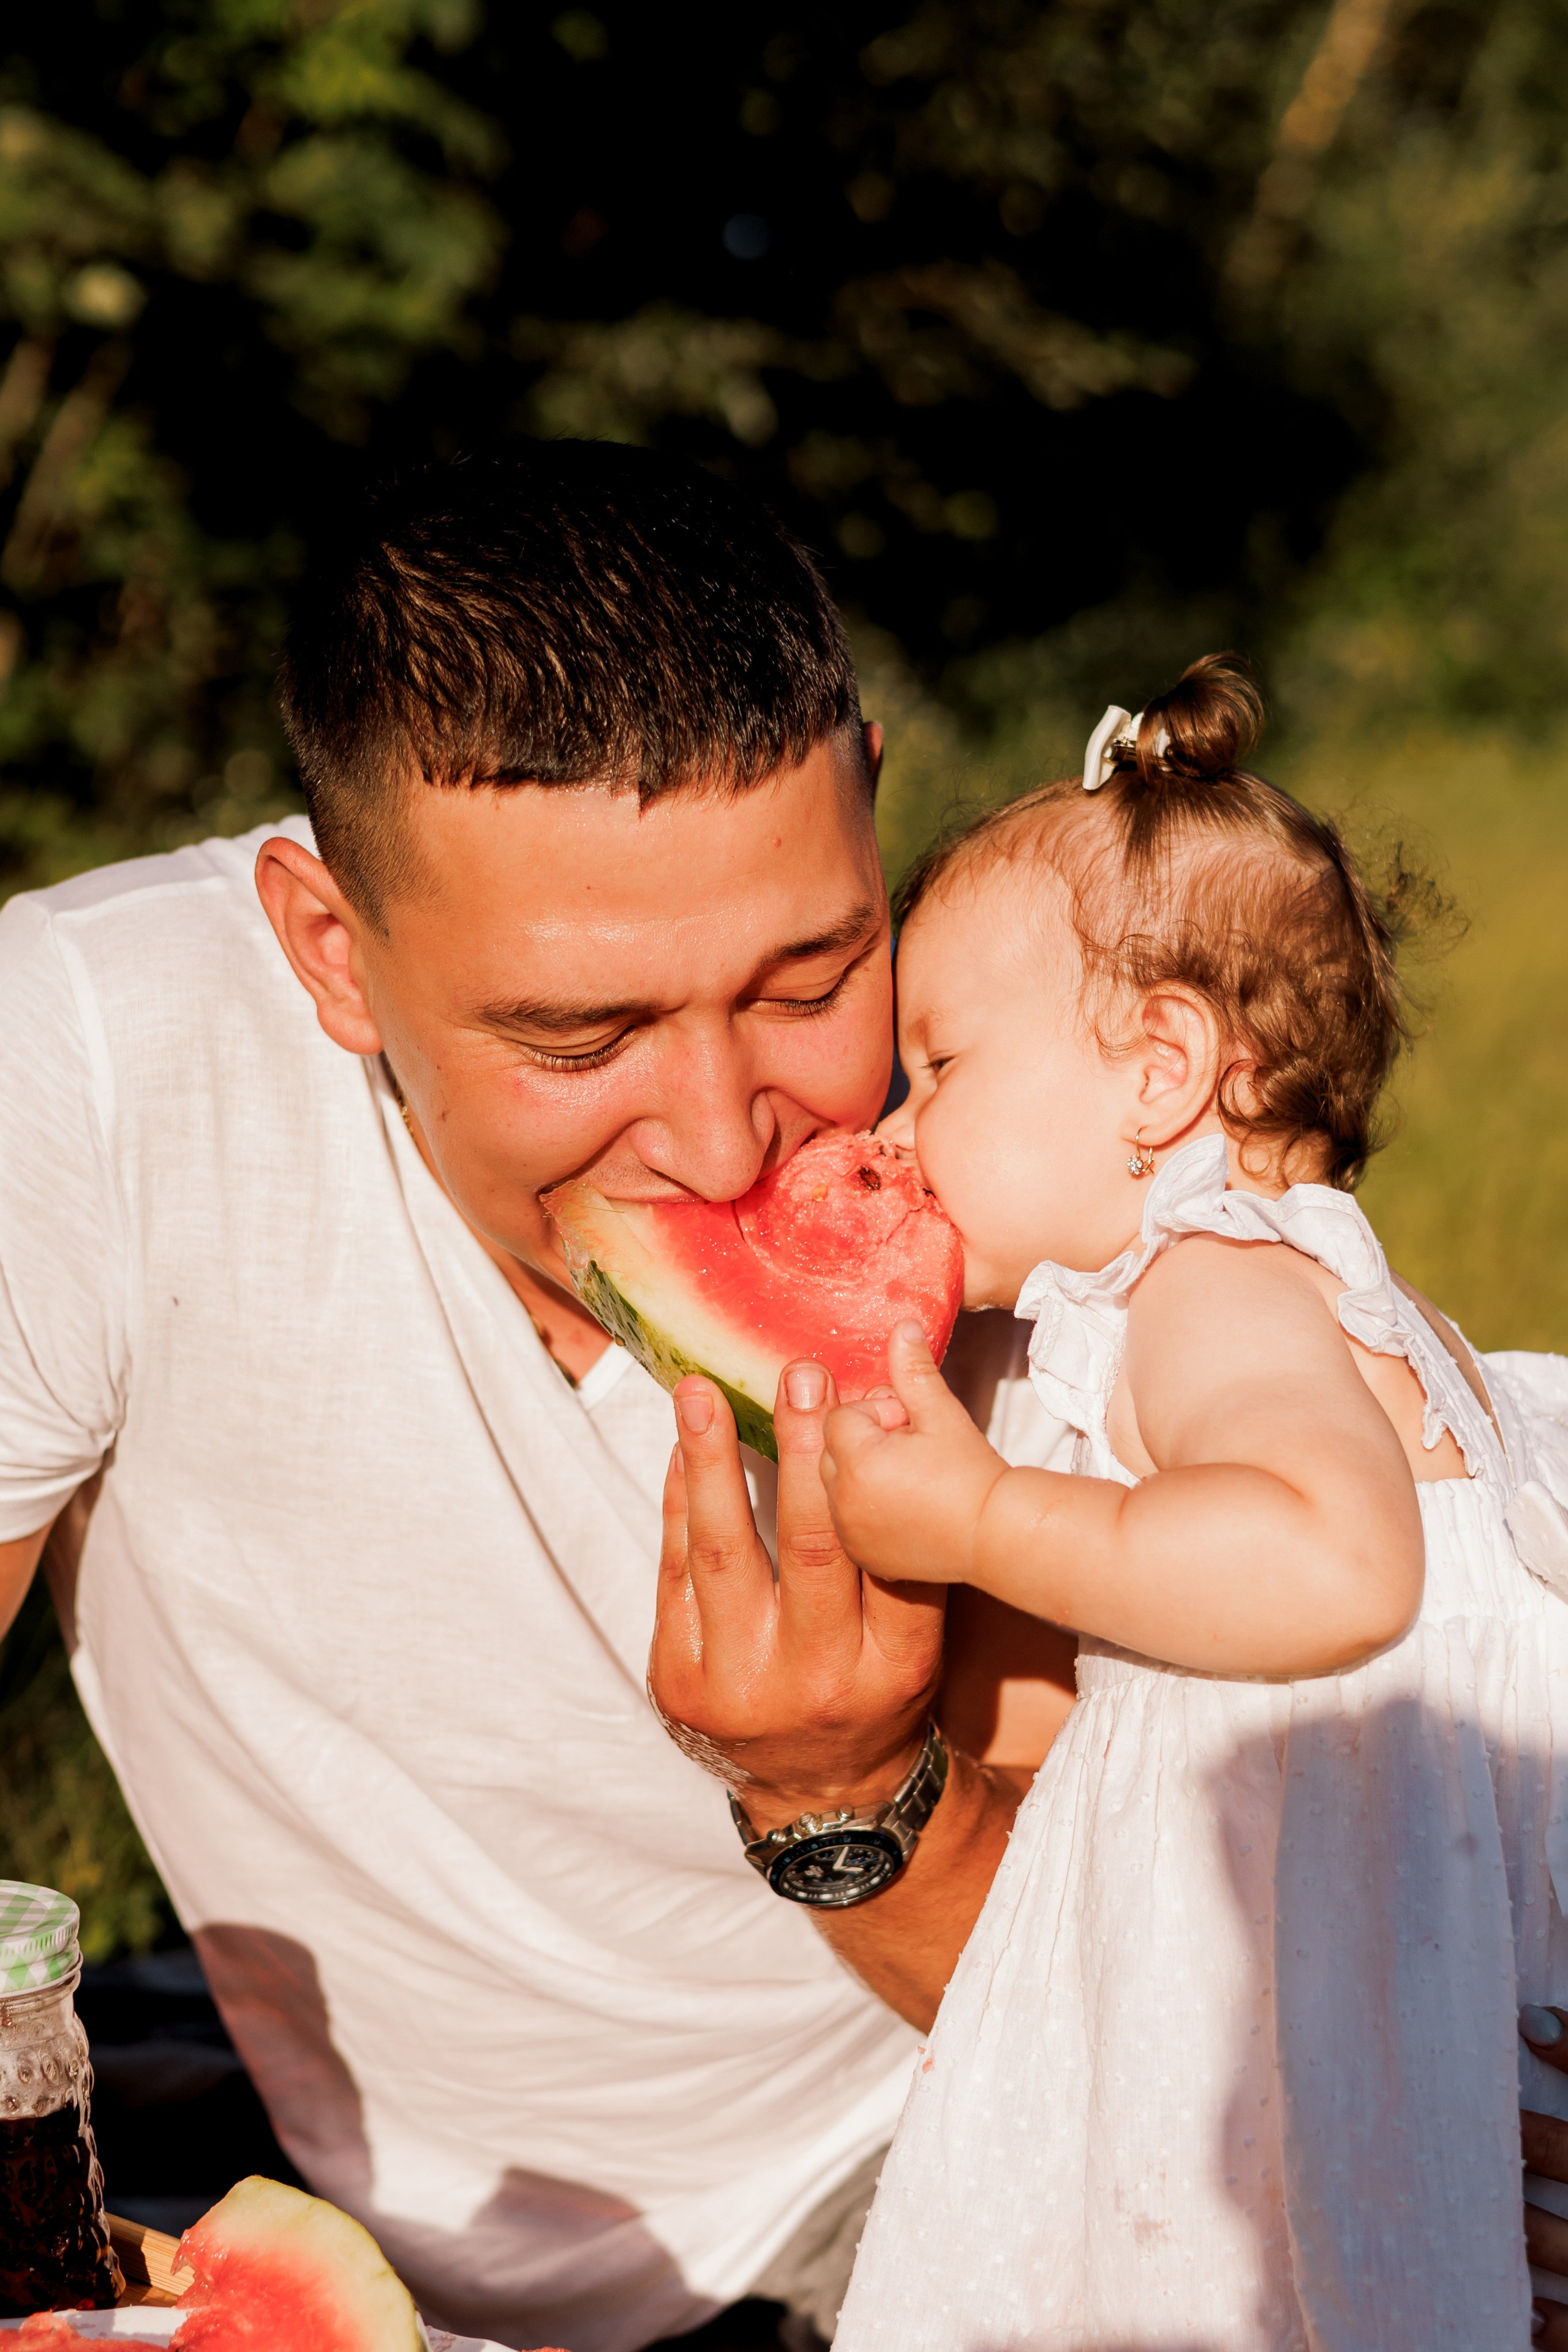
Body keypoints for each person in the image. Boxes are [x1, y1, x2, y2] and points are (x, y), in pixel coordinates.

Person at [0, 447, 1075, 2352]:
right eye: (579, 1038)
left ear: (871, 804)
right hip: (367, 2222)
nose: (726, 1128)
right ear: (331, 951)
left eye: (810, 976)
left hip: (930, 2150)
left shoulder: (1053, 1131)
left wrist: (843, 1794)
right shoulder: (91, 1060)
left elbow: (1133, 2029)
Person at [774, 654, 1568, 2347]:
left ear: (1159, 1074)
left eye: (941, 1068)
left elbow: (1331, 1562)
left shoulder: (1219, 1283)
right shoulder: (1281, 1301)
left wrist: (980, 1521)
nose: (896, 1134)